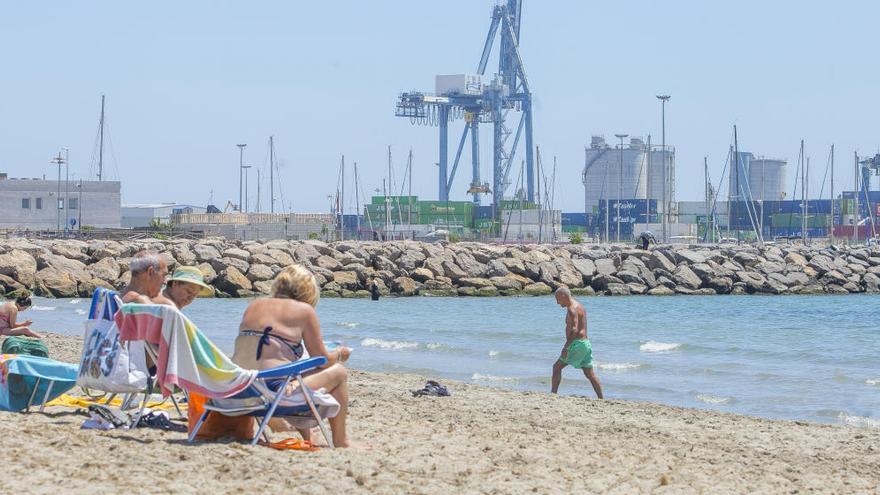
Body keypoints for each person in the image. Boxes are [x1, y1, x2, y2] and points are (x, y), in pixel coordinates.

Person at [232, 264, 353, 447]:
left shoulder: (253, 305)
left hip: (239, 385)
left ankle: (309, 438)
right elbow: (322, 360)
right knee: (339, 373)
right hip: (271, 390)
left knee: (293, 373)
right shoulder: (304, 311)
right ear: (308, 292)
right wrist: (339, 354)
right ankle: (341, 441)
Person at [551, 287, 603, 398]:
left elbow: (574, 329)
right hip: (585, 343)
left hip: (577, 344)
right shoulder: (579, 305)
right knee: (589, 373)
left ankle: (553, 394)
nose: (557, 302)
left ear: (564, 296)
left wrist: (566, 347)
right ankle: (601, 398)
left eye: (558, 299)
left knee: (556, 367)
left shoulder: (572, 308)